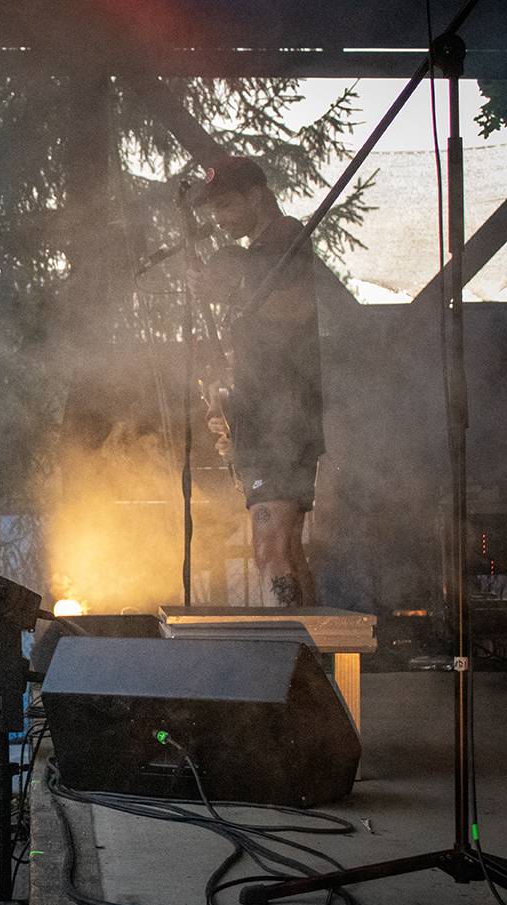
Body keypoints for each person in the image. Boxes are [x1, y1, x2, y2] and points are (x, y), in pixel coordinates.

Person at [191, 155, 323, 607]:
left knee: (269, 550)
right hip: (274, 416)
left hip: (279, 420)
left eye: (226, 205)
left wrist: (233, 279)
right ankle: (312, 645)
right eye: (214, 210)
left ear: (256, 196)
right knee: (286, 548)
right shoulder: (260, 254)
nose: (219, 218)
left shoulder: (283, 237)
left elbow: (297, 308)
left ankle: (285, 644)